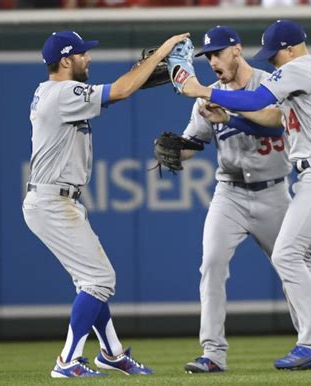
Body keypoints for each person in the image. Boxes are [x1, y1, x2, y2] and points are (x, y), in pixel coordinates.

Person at [179, 19, 311, 370]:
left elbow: (261, 101)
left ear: (290, 48)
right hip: (256, 186)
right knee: (295, 257)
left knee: (289, 256)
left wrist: (201, 90)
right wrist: (225, 118)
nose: (272, 60)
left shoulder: (296, 69)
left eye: (275, 54)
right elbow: (268, 119)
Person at [22, 30, 189, 378]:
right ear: (66, 60)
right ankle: (67, 361)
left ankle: (112, 353)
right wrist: (159, 55)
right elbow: (122, 90)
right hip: (53, 201)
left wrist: (141, 71)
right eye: (83, 54)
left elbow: (121, 88)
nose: (89, 59)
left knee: (90, 281)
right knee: (100, 279)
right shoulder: (62, 93)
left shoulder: (50, 91)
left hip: (54, 199)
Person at [177, 26, 292, 373]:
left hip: (274, 191)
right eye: (208, 56)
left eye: (217, 53)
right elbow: (191, 142)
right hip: (229, 193)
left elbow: (277, 122)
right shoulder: (207, 96)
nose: (212, 61)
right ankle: (212, 353)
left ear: (237, 51)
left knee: (294, 266)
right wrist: (174, 152)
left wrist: (232, 117)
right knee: (211, 264)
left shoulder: (271, 83)